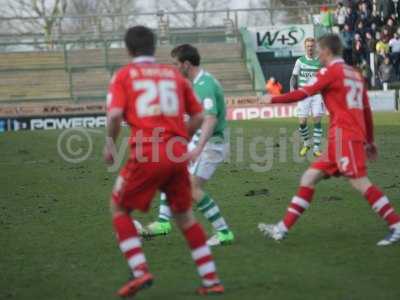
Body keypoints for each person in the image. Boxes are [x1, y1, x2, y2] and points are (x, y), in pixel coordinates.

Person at [104, 26, 224, 297]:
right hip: (176, 155)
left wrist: (110, 145)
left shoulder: (124, 75)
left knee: (119, 208)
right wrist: (182, 141)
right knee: (184, 217)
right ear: (153, 47)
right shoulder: (173, 75)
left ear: (128, 49)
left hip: (146, 153)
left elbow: (113, 116)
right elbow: (197, 117)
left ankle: (140, 271)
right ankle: (211, 280)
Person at [258, 34, 400, 247]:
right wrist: (370, 140)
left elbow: (303, 93)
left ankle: (396, 225)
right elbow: (367, 110)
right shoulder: (355, 73)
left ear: (326, 51)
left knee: (360, 182)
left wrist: (273, 99)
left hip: (346, 137)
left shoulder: (330, 72)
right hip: (339, 139)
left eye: (320, 50)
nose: (318, 54)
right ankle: (282, 229)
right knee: (309, 177)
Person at [145, 44, 235, 247]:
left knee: (192, 189)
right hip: (201, 140)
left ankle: (223, 232)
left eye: (175, 64)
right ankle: (163, 223)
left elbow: (210, 119)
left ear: (186, 64)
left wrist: (198, 147)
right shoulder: (196, 82)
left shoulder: (204, 85)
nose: (173, 68)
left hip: (212, 144)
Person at [290, 37, 324, 157]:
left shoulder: (320, 61)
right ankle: (306, 144)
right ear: (305, 47)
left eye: (312, 46)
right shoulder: (300, 61)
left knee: (317, 119)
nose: (310, 48)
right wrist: (292, 91)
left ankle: (316, 149)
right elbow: (294, 77)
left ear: (315, 47)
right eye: (308, 46)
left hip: (317, 95)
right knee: (302, 122)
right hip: (303, 95)